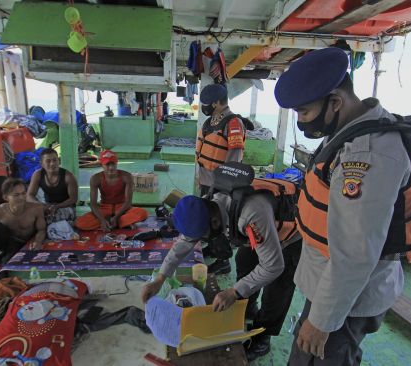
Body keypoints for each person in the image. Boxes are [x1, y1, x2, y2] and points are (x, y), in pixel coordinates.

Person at [274, 47, 411, 365]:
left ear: (335, 101)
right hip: (329, 287)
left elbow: (355, 254)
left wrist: (321, 321)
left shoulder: (368, 155)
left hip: (347, 301)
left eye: (304, 112)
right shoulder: (347, 131)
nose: (302, 122)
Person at [141, 167, 302, 361]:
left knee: (276, 288)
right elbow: (183, 243)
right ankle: (247, 308)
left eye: (203, 237)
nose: (201, 241)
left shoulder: (250, 215)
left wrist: (234, 292)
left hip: (290, 235)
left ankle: (262, 337)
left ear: (216, 221)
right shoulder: (206, 207)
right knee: (244, 261)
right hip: (261, 227)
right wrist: (160, 278)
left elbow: (274, 266)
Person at [196, 83, 253, 274]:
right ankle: (213, 248)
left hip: (221, 184)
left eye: (208, 103)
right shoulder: (209, 122)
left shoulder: (233, 123)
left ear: (219, 102)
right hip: (206, 180)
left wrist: (224, 185)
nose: (205, 107)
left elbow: (235, 157)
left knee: (220, 220)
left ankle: (223, 261)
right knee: (207, 218)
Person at [0, 178, 46, 274]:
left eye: (23, 193)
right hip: (7, 242)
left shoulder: (36, 208)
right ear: (6, 197)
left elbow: (42, 230)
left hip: (25, 244)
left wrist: (38, 241)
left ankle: (3, 257)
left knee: (8, 265)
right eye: (16, 195)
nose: (21, 197)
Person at [75, 150, 148, 231]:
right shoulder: (95, 178)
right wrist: (102, 219)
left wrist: (117, 217)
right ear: (102, 164)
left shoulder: (127, 176)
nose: (111, 167)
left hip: (122, 208)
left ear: (117, 163)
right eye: (107, 164)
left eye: (113, 164)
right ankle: (119, 223)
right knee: (80, 223)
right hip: (104, 208)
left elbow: (128, 202)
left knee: (143, 213)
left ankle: (111, 223)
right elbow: (93, 204)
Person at [27, 148, 78, 225]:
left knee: (46, 220)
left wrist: (57, 206)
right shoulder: (37, 174)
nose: (52, 163)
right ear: (41, 163)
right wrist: (42, 205)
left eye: (55, 160)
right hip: (47, 206)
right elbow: (29, 196)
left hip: (66, 207)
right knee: (28, 216)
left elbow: (73, 199)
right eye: (48, 161)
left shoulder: (68, 176)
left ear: (59, 161)